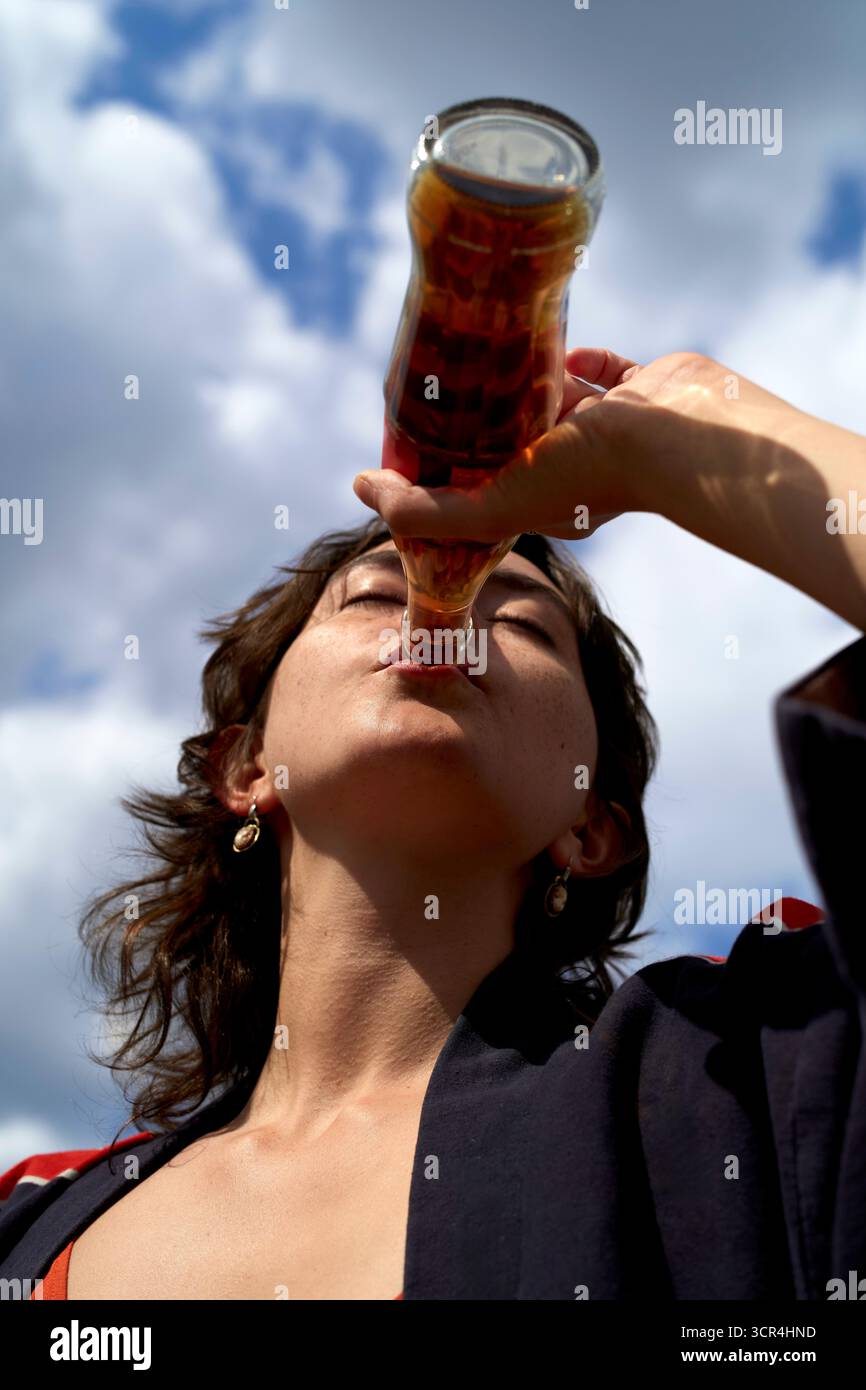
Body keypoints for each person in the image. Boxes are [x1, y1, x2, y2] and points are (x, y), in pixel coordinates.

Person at [1, 347, 864, 1301]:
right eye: (377, 592)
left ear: (593, 827)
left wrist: (707, 433)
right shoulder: (28, 1223)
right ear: (247, 768)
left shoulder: (741, 1078)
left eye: (526, 626)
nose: (442, 609)